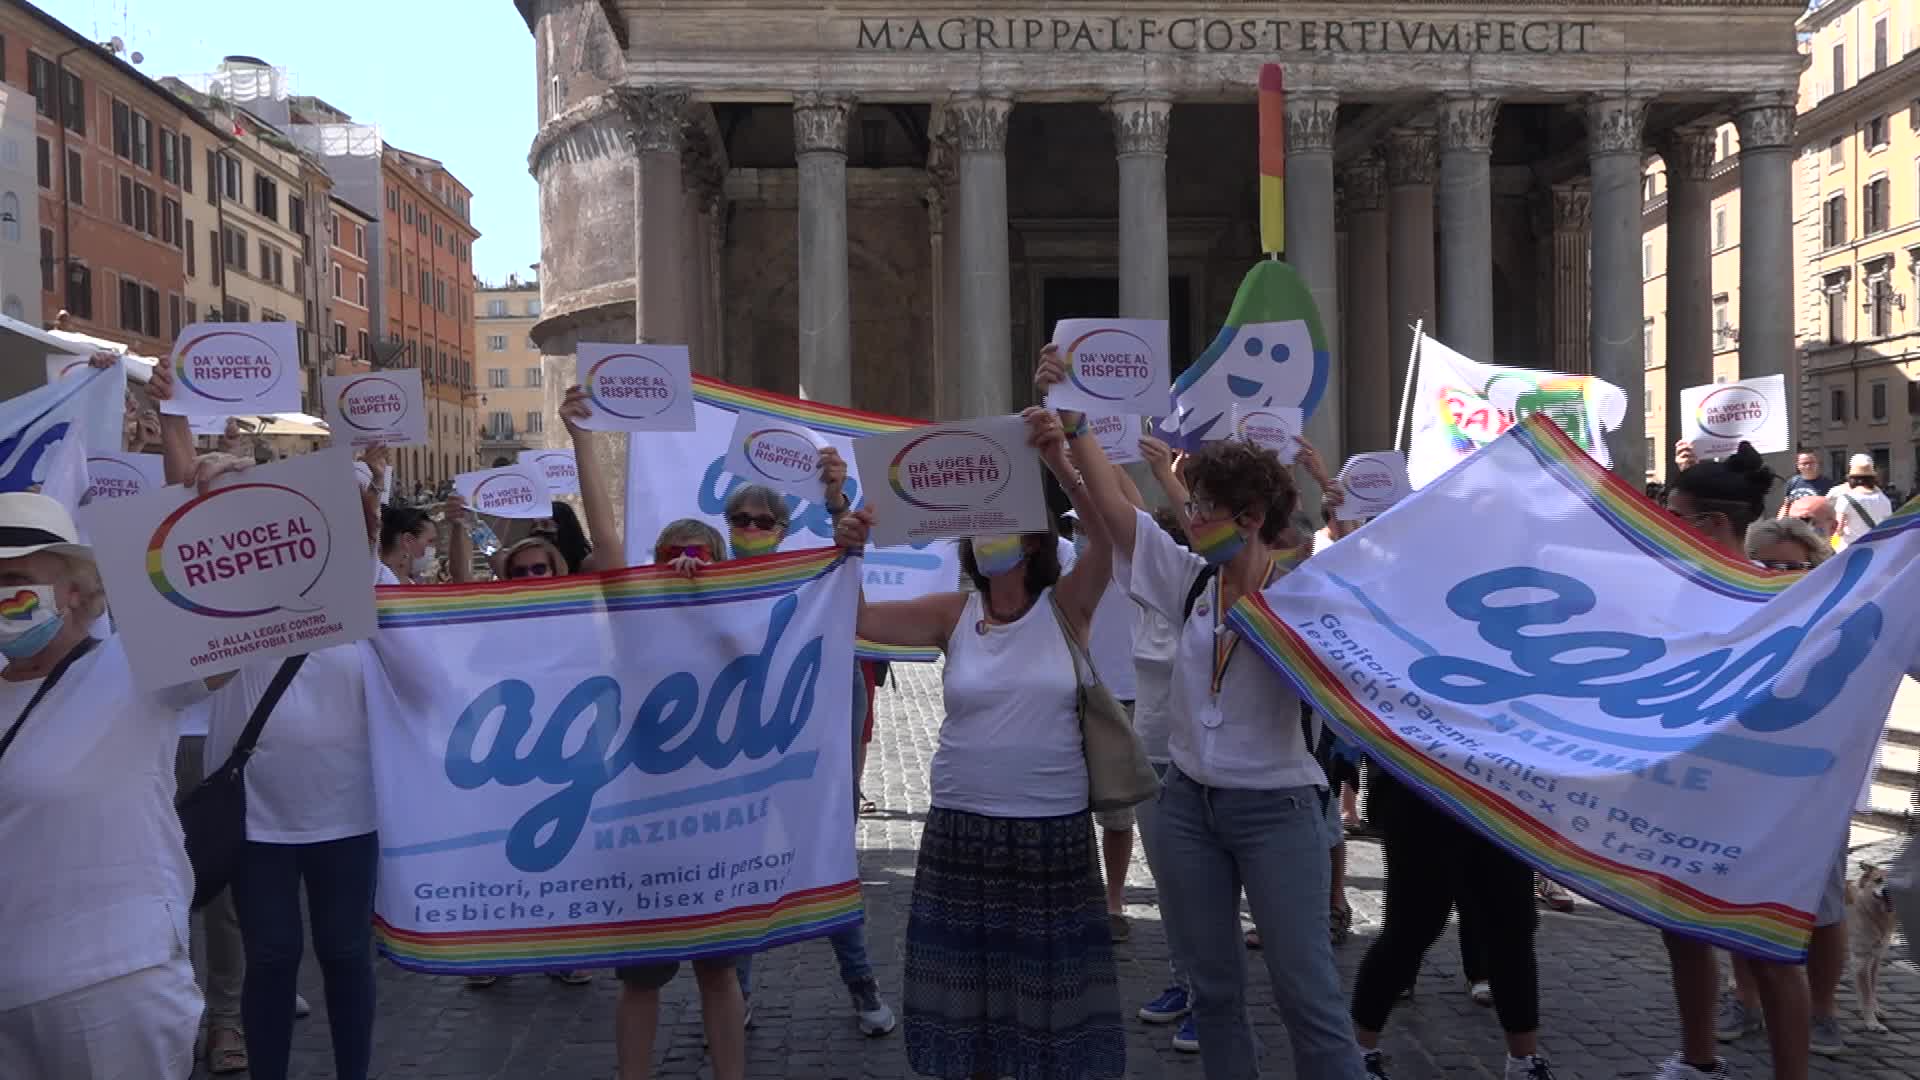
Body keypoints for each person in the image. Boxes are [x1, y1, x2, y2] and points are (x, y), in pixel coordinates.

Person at [1038, 346, 1366, 1080]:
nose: (1191, 520)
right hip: (1186, 803)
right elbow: (1121, 519)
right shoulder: (1190, 583)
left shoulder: (1304, 600)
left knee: (1305, 992)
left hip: (1278, 808)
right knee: (1214, 991)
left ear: (1249, 519)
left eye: (1204, 509)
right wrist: (1075, 420)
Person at [834, 405, 1125, 1080]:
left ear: (1031, 541)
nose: (984, 536)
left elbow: (1109, 540)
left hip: (1048, 828)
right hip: (964, 827)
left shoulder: (1067, 607)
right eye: (978, 527)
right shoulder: (953, 613)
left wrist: (1059, 462)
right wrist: (847, 546)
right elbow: (858, 619)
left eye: (1000, 525)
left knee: (1044, 987)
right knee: (968, 986)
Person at [0, 358, 252, 1077]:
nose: (2, 594)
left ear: (78, 591)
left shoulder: (139, 670)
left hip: (111, 991)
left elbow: (232, 599)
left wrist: (218, 500)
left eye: (17, 580)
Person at [673, 464, 898, 1039]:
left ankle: (864, 986)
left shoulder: (811, 576)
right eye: (740, 519)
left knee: (827, 862)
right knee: (742, 876)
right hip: (740, 755)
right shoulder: (710, 578)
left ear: (781, 527)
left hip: (805, 749)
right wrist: (674, 579)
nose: (751, 526)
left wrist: (835, 502)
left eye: (762, 520)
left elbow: (848, 573)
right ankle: (740, 995)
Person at [1656, 442, 1816, 1080]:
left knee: (1771, 950)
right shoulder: (1681, 587)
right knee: (1683, 933)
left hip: (1765, 799)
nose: (1662, 522)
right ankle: (1698, 1061)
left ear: (1713, 524)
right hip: (1688, 789)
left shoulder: (1785, 596)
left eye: (1673, 513)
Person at [1826, 454, 1892, 550]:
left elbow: (1838, 528)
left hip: (1851, 549)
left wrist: (1833, 543)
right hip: (1875, 548)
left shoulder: (1845, 499)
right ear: (1872, 479)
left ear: (1851, 479)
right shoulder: (1883, 498)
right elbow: (1888, 526)